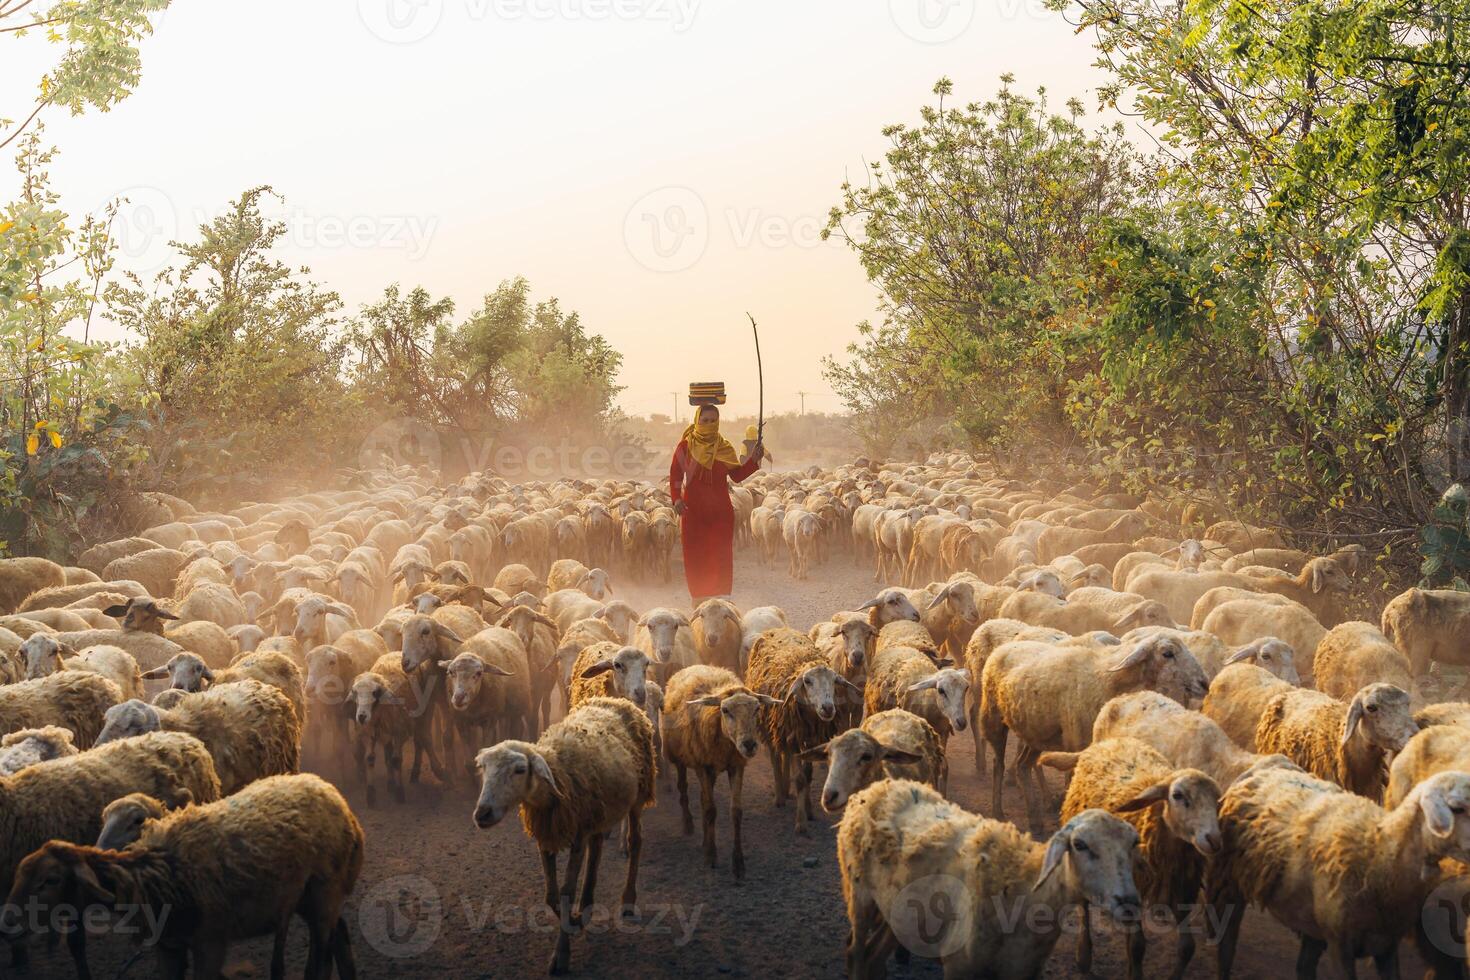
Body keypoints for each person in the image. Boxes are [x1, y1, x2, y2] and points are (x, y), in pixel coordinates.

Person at [670, 404, 763, 601]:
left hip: (721, 512)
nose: (709, 425)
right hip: (692, 511)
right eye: (705, 421)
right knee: (696, 557)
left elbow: (737, 476)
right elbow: (676, 476)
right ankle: (699, 601)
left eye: (713, 421)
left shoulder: (725, 447)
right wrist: (676, 498)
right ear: (697, 421)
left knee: (720, 557)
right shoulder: (685, 447)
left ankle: (721, 602)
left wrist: (753, 460)